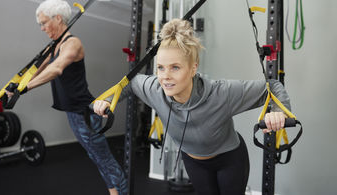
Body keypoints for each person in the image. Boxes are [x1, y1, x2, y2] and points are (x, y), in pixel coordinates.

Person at [93, 18, 291, 195]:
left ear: (193, 67)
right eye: (160, 68)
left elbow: (272, 87)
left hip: (230, 160)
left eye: (175, 67)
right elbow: (129, 83)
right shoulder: (154, 88)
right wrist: (109, 100)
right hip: (194, 162)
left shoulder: (221, 93)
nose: (165, 76)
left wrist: (277, 112)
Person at [7, 0, 127, 195]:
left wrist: (23, 89)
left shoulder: (73, 44)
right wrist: (14, 86)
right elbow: (35, 70)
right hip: (74, 115)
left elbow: (56, 68)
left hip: (85, 115)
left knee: (105, 160)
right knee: (97, 158)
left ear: (58, 19)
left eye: (44, 23)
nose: (42, 28)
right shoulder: (53, 46)